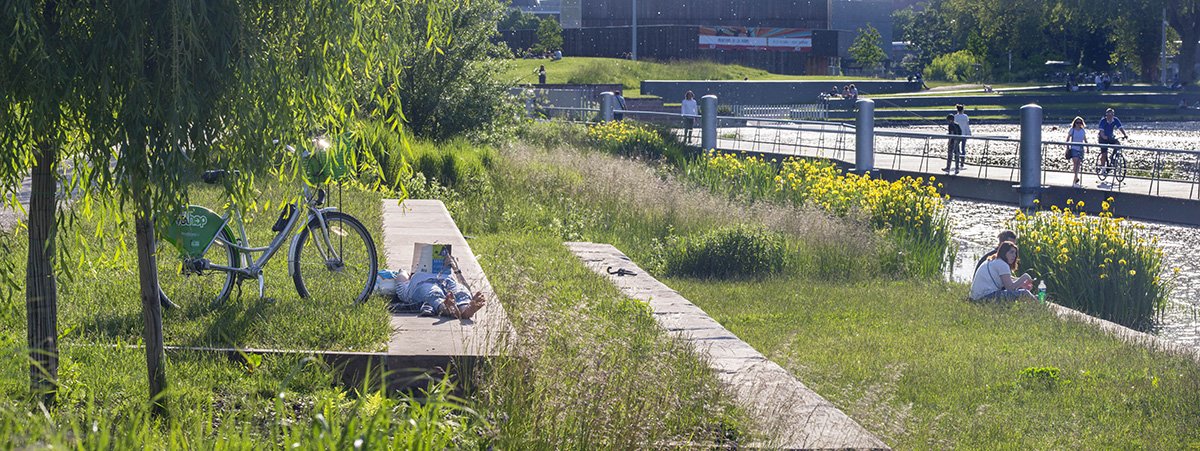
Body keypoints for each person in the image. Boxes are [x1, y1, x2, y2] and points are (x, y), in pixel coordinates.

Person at [390, 269, 487, 320]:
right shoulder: (409, 284)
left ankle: (465, 308)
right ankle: (447, 307)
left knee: (459, 289)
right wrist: (404, 272)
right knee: (432, 292)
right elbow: (401, 280)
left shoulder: (409, 284)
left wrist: (452, 264)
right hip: (424, 283)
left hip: (446, 279)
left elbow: (401, 278)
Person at [970, 241, 1036, 302]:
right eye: (1011, 252)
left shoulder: (995, 261)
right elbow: (1010, 288)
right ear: (1004, 252)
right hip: (984, 297)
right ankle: (1042, 306)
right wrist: (1025, 277)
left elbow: (1008, 278)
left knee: (1024, 293)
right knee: (1024, 293)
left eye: (1015, 253)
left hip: (976, 297)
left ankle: (1037, 301)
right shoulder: (1003, 265)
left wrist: (1020, 282)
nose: (1014, 255)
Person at [1096, 108, 1128, 172]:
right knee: (1104, 154)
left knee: (1117, 144)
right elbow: (1101, 131)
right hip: (1102, 138)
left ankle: (1112, 157)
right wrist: (1103, 136)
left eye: (1111, 114)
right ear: (1106, 115)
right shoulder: (1103, 121)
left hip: (1110, 137)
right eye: (1108, 115)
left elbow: (1120, 128)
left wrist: (1125, 135)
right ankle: (1103, 168)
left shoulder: (1115, 120)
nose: (1110, 116)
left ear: (1113, 115)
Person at [1066, 116, 1088, 187]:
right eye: (1077, 122)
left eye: (1080, 122)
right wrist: (1067, 147)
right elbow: (1068, 139)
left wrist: (1087, 147)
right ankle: (1075, 177)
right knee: (1075, 162)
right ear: (1074, 123)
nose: (1078, 124)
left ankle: (1076, 176)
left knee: (1078, 163)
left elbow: (1085, 139)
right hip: (1074, 148)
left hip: (1081, 149)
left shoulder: (1083, 130)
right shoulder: (1072, 130)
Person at [953, 104, 971, 172]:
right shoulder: (965, 116)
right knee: (963, 148)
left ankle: (957, 160)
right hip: (964, 134)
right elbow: (967, 125)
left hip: (957, 135)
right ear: (963, 109)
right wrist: (969, 133)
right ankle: (962, 163)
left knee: (956, 149)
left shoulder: (955, 117)